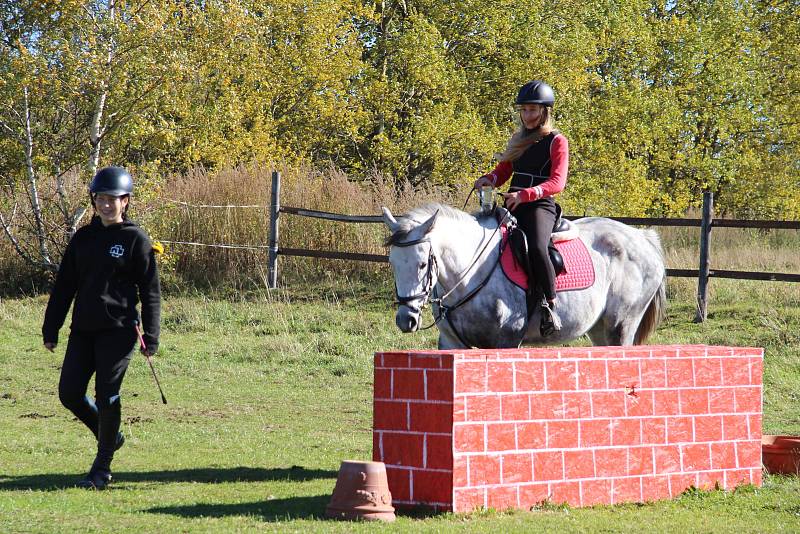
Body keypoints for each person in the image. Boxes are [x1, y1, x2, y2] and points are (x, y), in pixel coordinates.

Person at [42, 166, 161, 490]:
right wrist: (51, 328)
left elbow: (150, 291)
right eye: (102, 198)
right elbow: (65, 286)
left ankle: (102, 467)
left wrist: (151, 335)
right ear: (94, 200)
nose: (107, 205)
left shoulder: (135, 239)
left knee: (107, 397)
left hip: (119, 331)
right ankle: (110, 434)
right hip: (83, 329)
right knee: (69, 393)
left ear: (126, 201)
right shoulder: (83, 238)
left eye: (114, 199)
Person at [474, 80, 568, 336]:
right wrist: (489, 180)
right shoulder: (518, 138)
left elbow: (557, 182)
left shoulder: (557, 141)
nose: (527, 115)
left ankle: (550, 304)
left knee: (537, 247)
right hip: (512, 202)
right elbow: (503, 170)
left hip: (540, 206)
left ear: (544, 111)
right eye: (524, 110)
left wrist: (526, 195)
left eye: (532, 110)